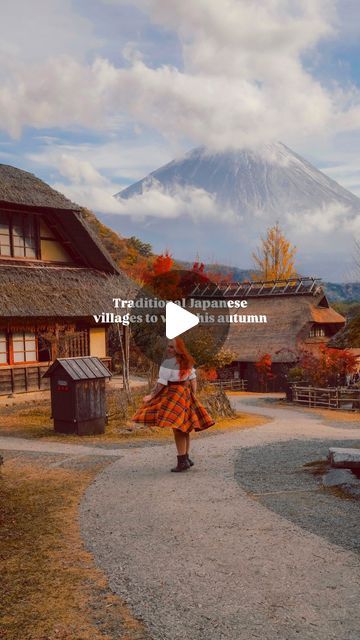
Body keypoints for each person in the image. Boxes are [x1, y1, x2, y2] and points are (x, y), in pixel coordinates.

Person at [132, 337, 215, 472]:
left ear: (178, 349)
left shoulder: (167, 363)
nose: (168, 349)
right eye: (168, 346)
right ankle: (186, 458)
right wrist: (192, 395)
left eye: (171, 347)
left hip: (174, 394)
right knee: (185, 427)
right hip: (185, 394)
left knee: (178, 429)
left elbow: (161, 384)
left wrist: (152, 396)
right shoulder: (187, 362)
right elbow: (193, 380)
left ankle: (182, 461)